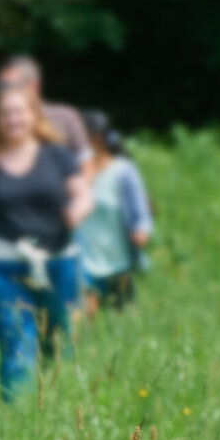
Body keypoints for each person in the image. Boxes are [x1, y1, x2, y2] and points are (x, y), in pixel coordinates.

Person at [0, 87, 91, 400]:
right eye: (5, 113)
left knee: (59, 339)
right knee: (17, 340)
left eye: (19, 111)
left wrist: (77, 212)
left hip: (57, 262)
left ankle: (59, 408)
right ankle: (18, 417)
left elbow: (83, 194)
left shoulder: (57, 154)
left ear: (33, 115)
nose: (13, 118)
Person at [73, 110, 155, 314]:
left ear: (97, 138)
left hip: (118, 260)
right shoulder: (73, 172)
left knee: (120, 319)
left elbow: (140, 212)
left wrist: (141, 231)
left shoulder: (123, 171)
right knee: (83, 318)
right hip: (84, 259)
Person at [0, 55, 89, 157]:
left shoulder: (66, 118)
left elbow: (86, 166)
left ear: (33, 86)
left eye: (11, 86)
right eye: (0, 86)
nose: (4, 92)